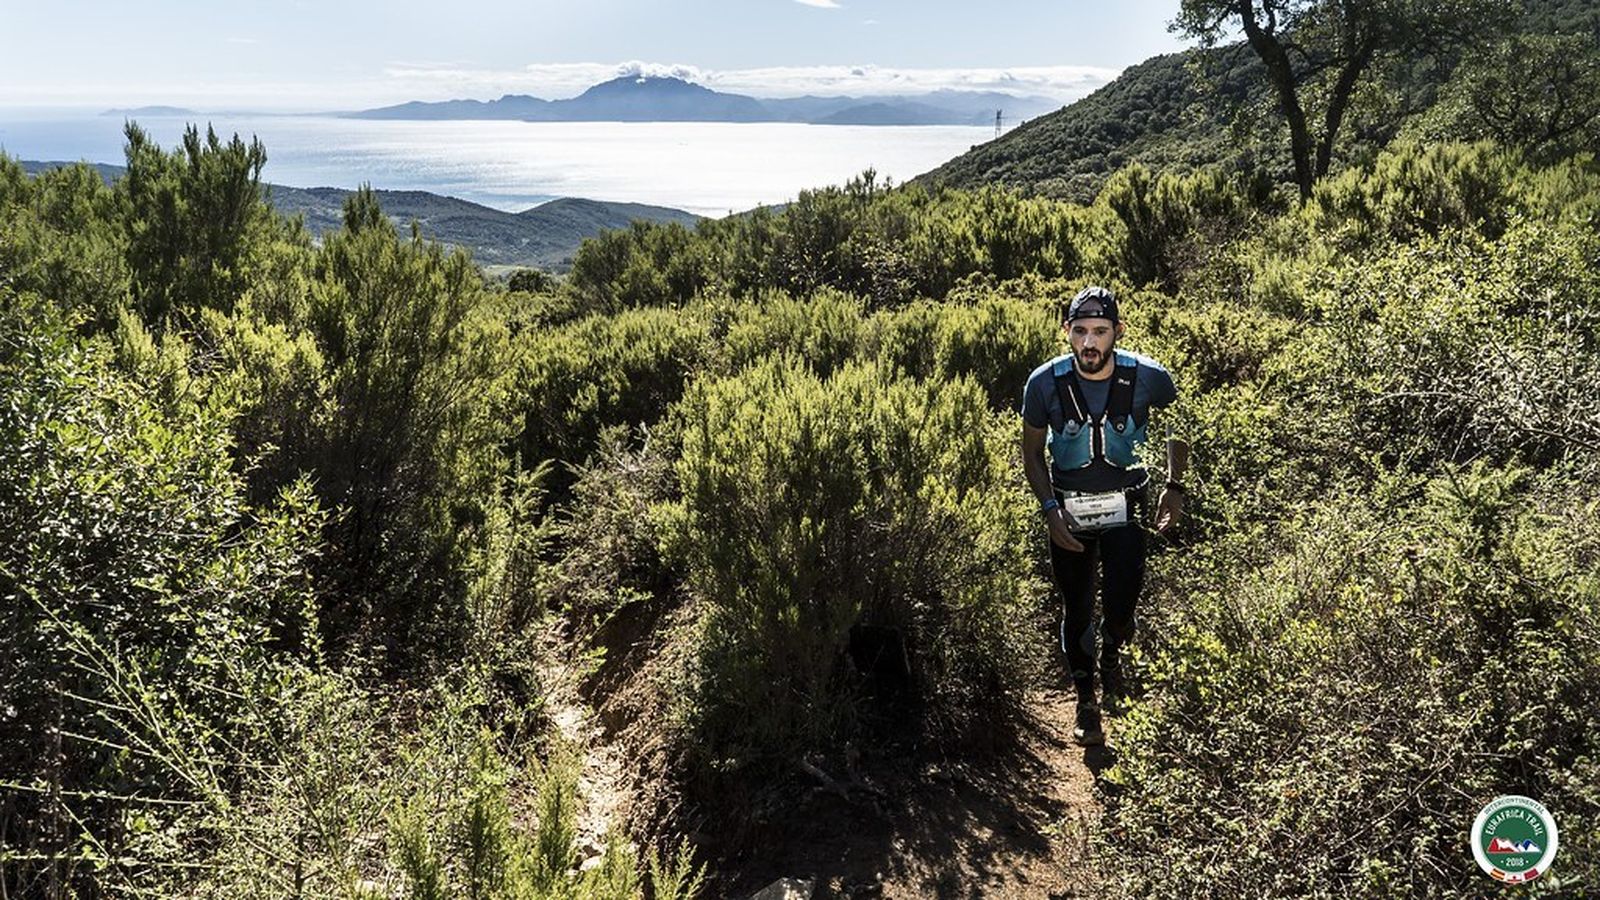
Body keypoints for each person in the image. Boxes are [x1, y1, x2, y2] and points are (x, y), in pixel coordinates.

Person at [1020, 286, 1187, 746]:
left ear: (1118, 331)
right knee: (1076, 608)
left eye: (1099, 331)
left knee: (1120, 608)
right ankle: (1086, 703)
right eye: (1080, 331)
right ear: (1067, 332)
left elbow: (1179, 429)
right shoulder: (1043, 383)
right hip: (1068, 511)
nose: (1089, 342)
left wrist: (1173, 487)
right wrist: (1050, 511)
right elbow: (1031, 453)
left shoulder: (1149, 377)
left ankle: (1112, 657)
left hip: (1127, 510)